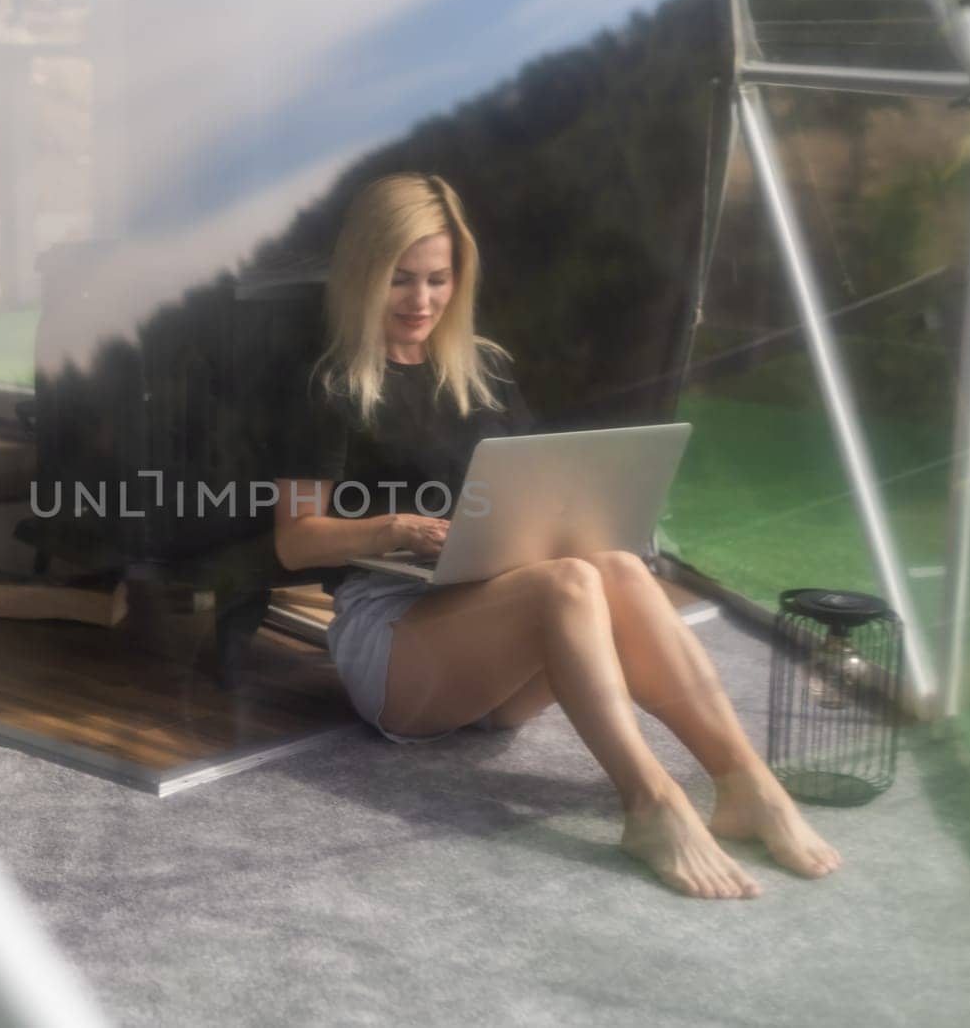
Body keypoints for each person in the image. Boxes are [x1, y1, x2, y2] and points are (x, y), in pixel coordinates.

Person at [274, 172, 840, 900]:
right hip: (395, 647)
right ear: (364, 275)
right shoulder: (327, 386)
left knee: (614, 566)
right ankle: (650, 802)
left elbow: (536, 495)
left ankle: (746, 783)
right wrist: (395, 527)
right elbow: (294, 542)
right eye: (401, 280)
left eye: (438, 280)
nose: (421, 301)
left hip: (497, 642)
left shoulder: (485, 369)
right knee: (571, 580)